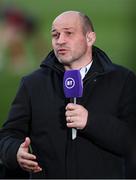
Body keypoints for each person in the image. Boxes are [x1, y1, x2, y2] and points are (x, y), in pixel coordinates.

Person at [0, 10, 136, 179]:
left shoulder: (123, 80)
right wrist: (15, 152)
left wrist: (91, 122)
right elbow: (7, 136)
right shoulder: (32, 84)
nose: (60, 40)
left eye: (68, 33)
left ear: (90, 38)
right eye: (55, 35)